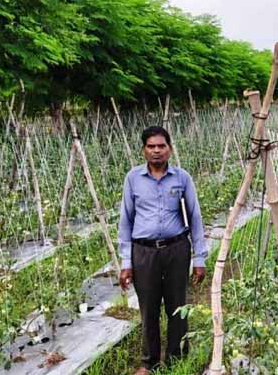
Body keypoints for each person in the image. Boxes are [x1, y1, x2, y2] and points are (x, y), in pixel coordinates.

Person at [118, 126, 208, 374]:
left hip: (176, 249)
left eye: (161, 146)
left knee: (177, 306)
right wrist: (126, 262)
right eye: (151, 146)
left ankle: (177, 358)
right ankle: (150, 362)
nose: (156, 150)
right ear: (143, 150)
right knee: (148, 308)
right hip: (144, 252)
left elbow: (195, 217)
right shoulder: (133, 179)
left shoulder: (182, 178)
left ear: (169, 148)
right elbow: (125, 221)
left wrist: (199, 258)